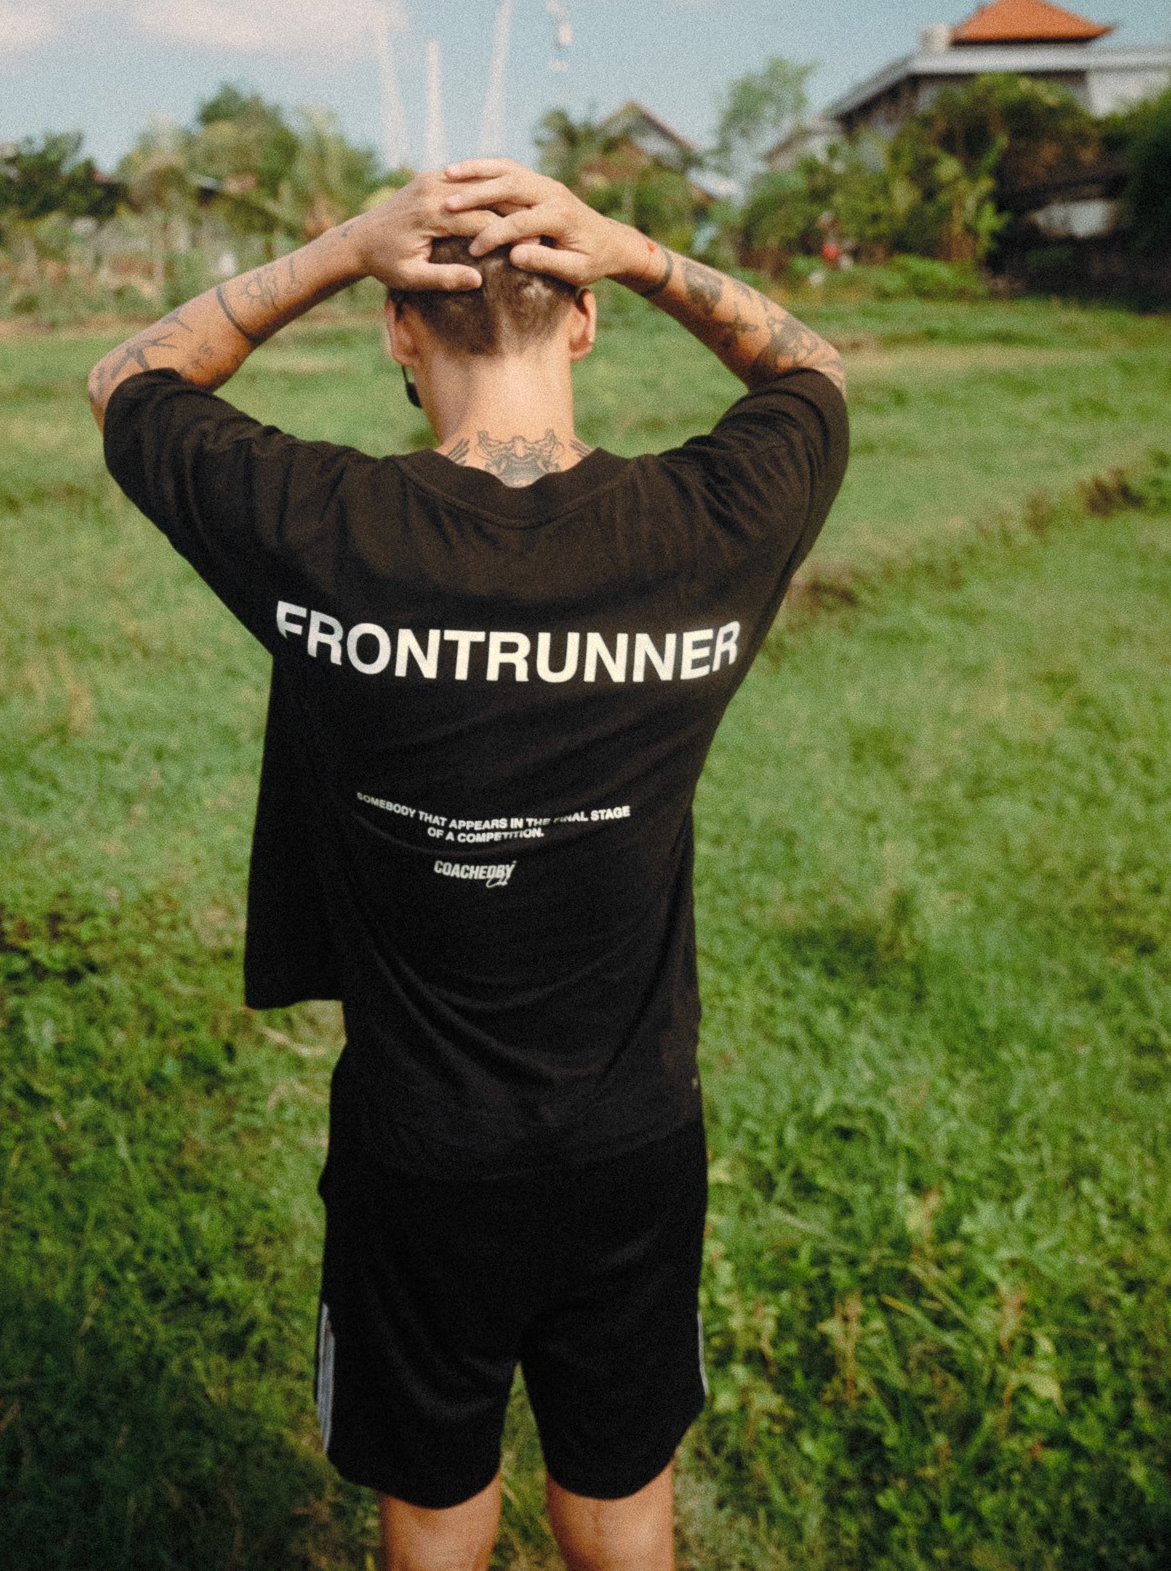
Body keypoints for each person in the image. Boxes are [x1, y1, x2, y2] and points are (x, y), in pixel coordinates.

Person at [88, 159, 848, 1571]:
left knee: (436, 1506)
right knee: (620, 1499)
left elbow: (132, 377)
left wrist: (335, 246)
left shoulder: (323, 530)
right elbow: (811, 369)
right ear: (584, 321)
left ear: (396, 326)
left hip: (417, 1149)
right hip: (633, 1134)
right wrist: (634, 247)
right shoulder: (708, 527)